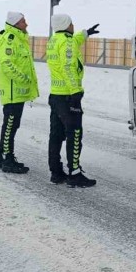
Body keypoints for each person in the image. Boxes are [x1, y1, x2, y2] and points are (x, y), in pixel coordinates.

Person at [46, 13, 100, 187]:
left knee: (55, 135)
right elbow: (68, 67)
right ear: (66, 25)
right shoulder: (67, 42)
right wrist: (76, 93)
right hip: (68, 96)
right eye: (71, 23)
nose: (73, 25)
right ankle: (74, 174)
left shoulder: (55, 40)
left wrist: (86, 33)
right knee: (74, 134)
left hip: (55, 94)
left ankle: (56, 172)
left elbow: (74, 41)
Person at [0, 11, 38, 174]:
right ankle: (6, 159)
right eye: (24, 21)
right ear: (16, 23)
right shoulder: (10, 40)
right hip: (12, 92)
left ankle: (4, 157)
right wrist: (23, 78)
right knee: (10, 126)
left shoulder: (18, 38)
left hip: (16, 92)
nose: (26, 24)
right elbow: (6, 64)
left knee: (12, 125)